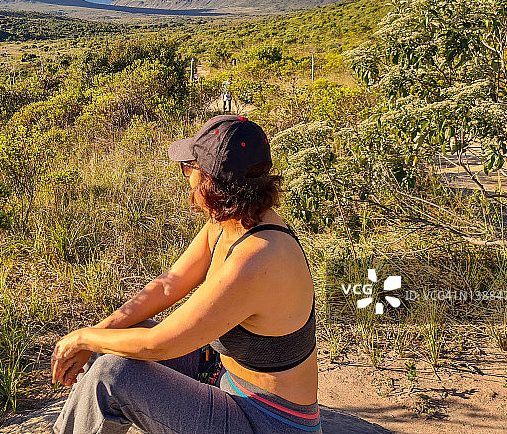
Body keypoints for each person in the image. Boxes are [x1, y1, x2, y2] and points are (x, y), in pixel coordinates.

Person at [51, 115, 321, 434]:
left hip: (266, 421)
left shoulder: (257, 259)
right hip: (226, 378)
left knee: (113, 374)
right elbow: (168, 286)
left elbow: (159, 345)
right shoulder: (231, 223)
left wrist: (83, 338)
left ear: (210, 182)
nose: (186, 178)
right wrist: (100, 331)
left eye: (188, 168)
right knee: (117, 337)